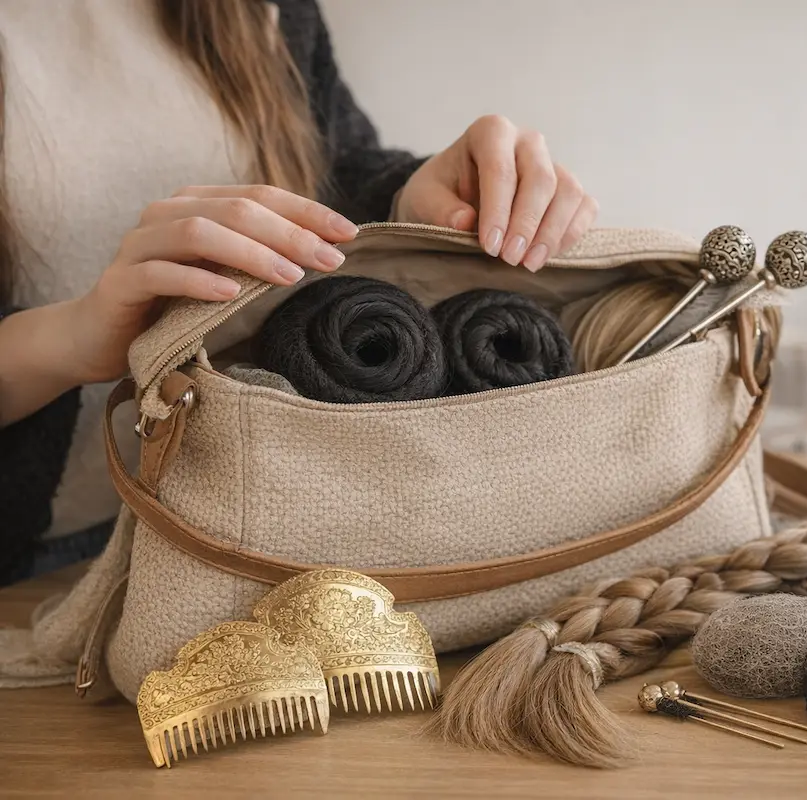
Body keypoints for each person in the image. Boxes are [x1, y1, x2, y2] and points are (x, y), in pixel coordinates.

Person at [0, 0, 598, 585]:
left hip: (263, 530)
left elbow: (334, 171)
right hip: (37, 562)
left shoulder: (266, 11)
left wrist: (405, 207)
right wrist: (68, 340)